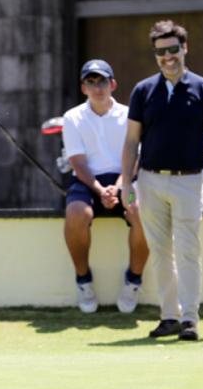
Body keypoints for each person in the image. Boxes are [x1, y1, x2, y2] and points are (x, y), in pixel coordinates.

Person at [120, 20, 203, 341]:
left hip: (189, 180)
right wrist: (127, 182)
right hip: (150, 180)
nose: (167, 57)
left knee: (187, 250)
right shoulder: (143, 91)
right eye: (160, 52)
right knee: (159, 251)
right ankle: (168, 316)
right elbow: (131, 141)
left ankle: (189, 319)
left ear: (185, 48)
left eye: (173, 50)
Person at [62, 59, 149, 314]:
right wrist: (101, 190)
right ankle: (83, 280)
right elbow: (77, 162)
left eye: (101, 81)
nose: (97, 87)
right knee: (77, 213)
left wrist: (121, 186)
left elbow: (134, 156)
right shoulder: (72, 117)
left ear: (112, 84)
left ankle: (133, 280)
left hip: (125, 178)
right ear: (83, 88)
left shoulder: (130, 114)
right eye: (91, 81)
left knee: (140, 212)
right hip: (87, 181)